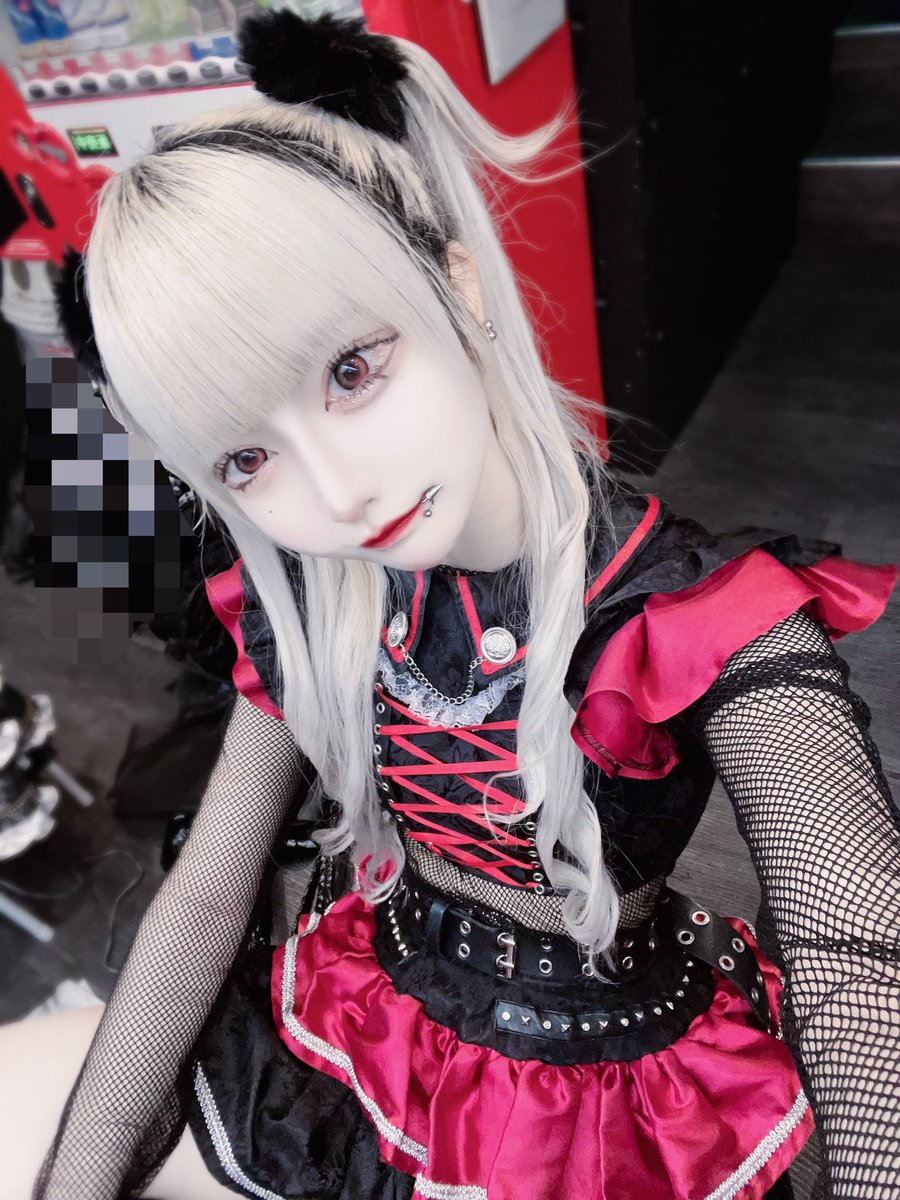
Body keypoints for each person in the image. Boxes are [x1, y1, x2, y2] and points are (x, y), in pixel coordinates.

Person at [17, 10, 900, 1199]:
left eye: (352, 371)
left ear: (457, 284)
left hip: (592, 1097)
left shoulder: (698, 619)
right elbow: (209, 893)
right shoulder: (317, 606)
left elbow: (854, 959)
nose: (338, 493)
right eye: (246, 459)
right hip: (369, 1007)